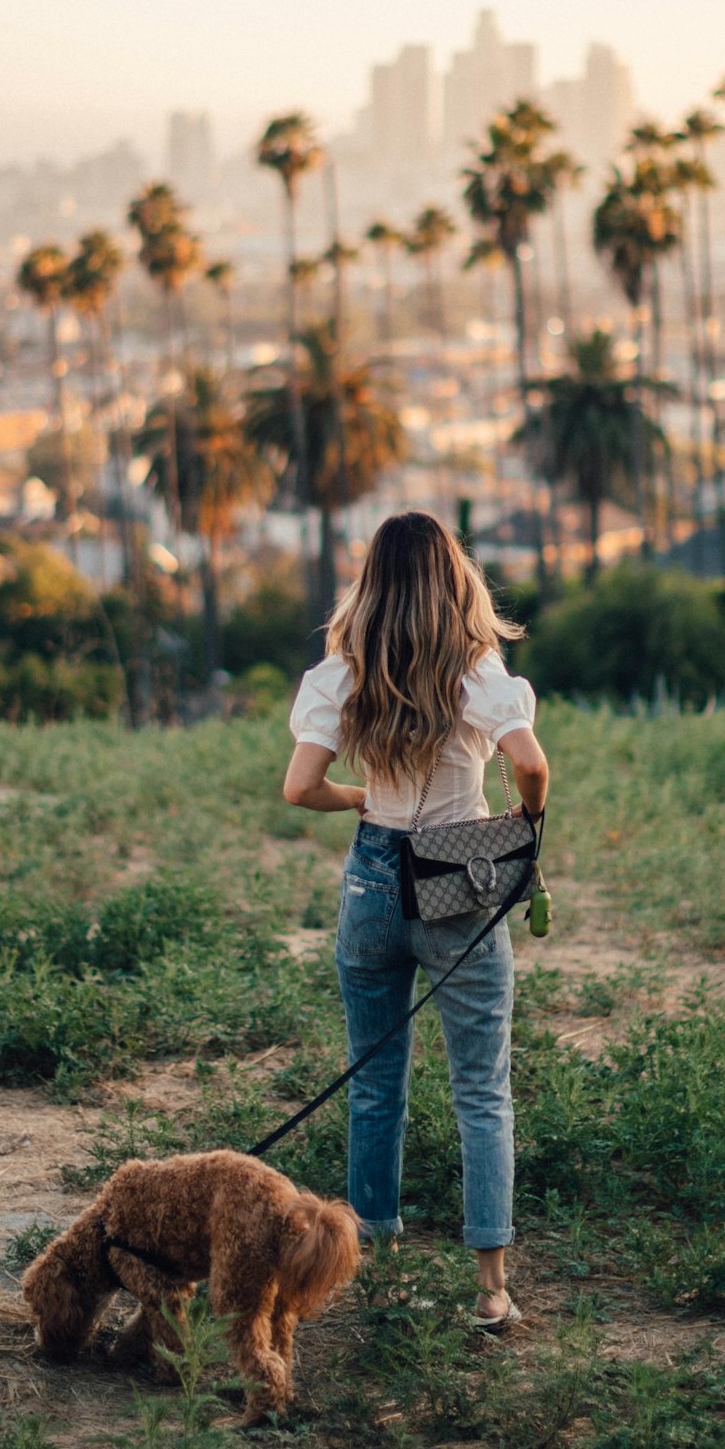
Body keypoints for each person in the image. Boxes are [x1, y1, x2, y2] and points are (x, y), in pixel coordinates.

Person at [282, 510, 549, 1329]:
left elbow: (299, 788)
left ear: (374, 581)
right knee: (480, 1091)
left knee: (373, 1088)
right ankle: (491, 1289)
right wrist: (527, 825)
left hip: (372, 878)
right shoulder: (477, 669)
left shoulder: (344, 670)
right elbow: (531, 765)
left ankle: (377, 1267)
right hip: (457, 883)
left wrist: (362, 797)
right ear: (453, 576)